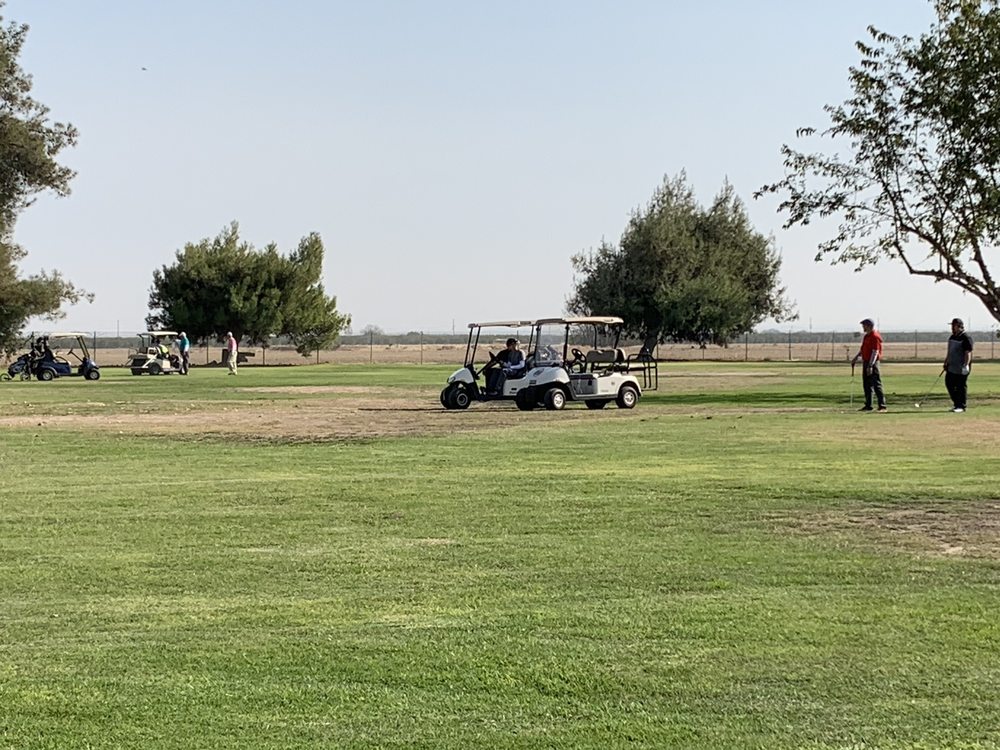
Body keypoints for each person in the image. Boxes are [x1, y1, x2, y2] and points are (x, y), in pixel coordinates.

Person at [851, 318, 886, 412]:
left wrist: (870, 365)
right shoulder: (866, 336)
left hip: (873, 363)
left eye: (864, 325)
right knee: (866, 384)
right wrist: (856, 358)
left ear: (869, 326)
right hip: (866, 362)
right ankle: (868, 405)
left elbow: (875, 352)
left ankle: (882, 406)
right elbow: (863, 350)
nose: (863, 327)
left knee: (876, 384)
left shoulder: (875, 336)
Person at [943, 317, 973, 412]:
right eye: (952, 325)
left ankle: (961, 406)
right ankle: (957, 404)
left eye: (954, 325)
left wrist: (966, 365)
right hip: (952, 366)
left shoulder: (966, 338)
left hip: (961, 367)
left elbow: (968, 353)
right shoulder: (952, 337)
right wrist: (946, 362)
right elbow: (949, 351)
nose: (952, 327)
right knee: (949, 384)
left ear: (959, 326)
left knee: (960, 386)